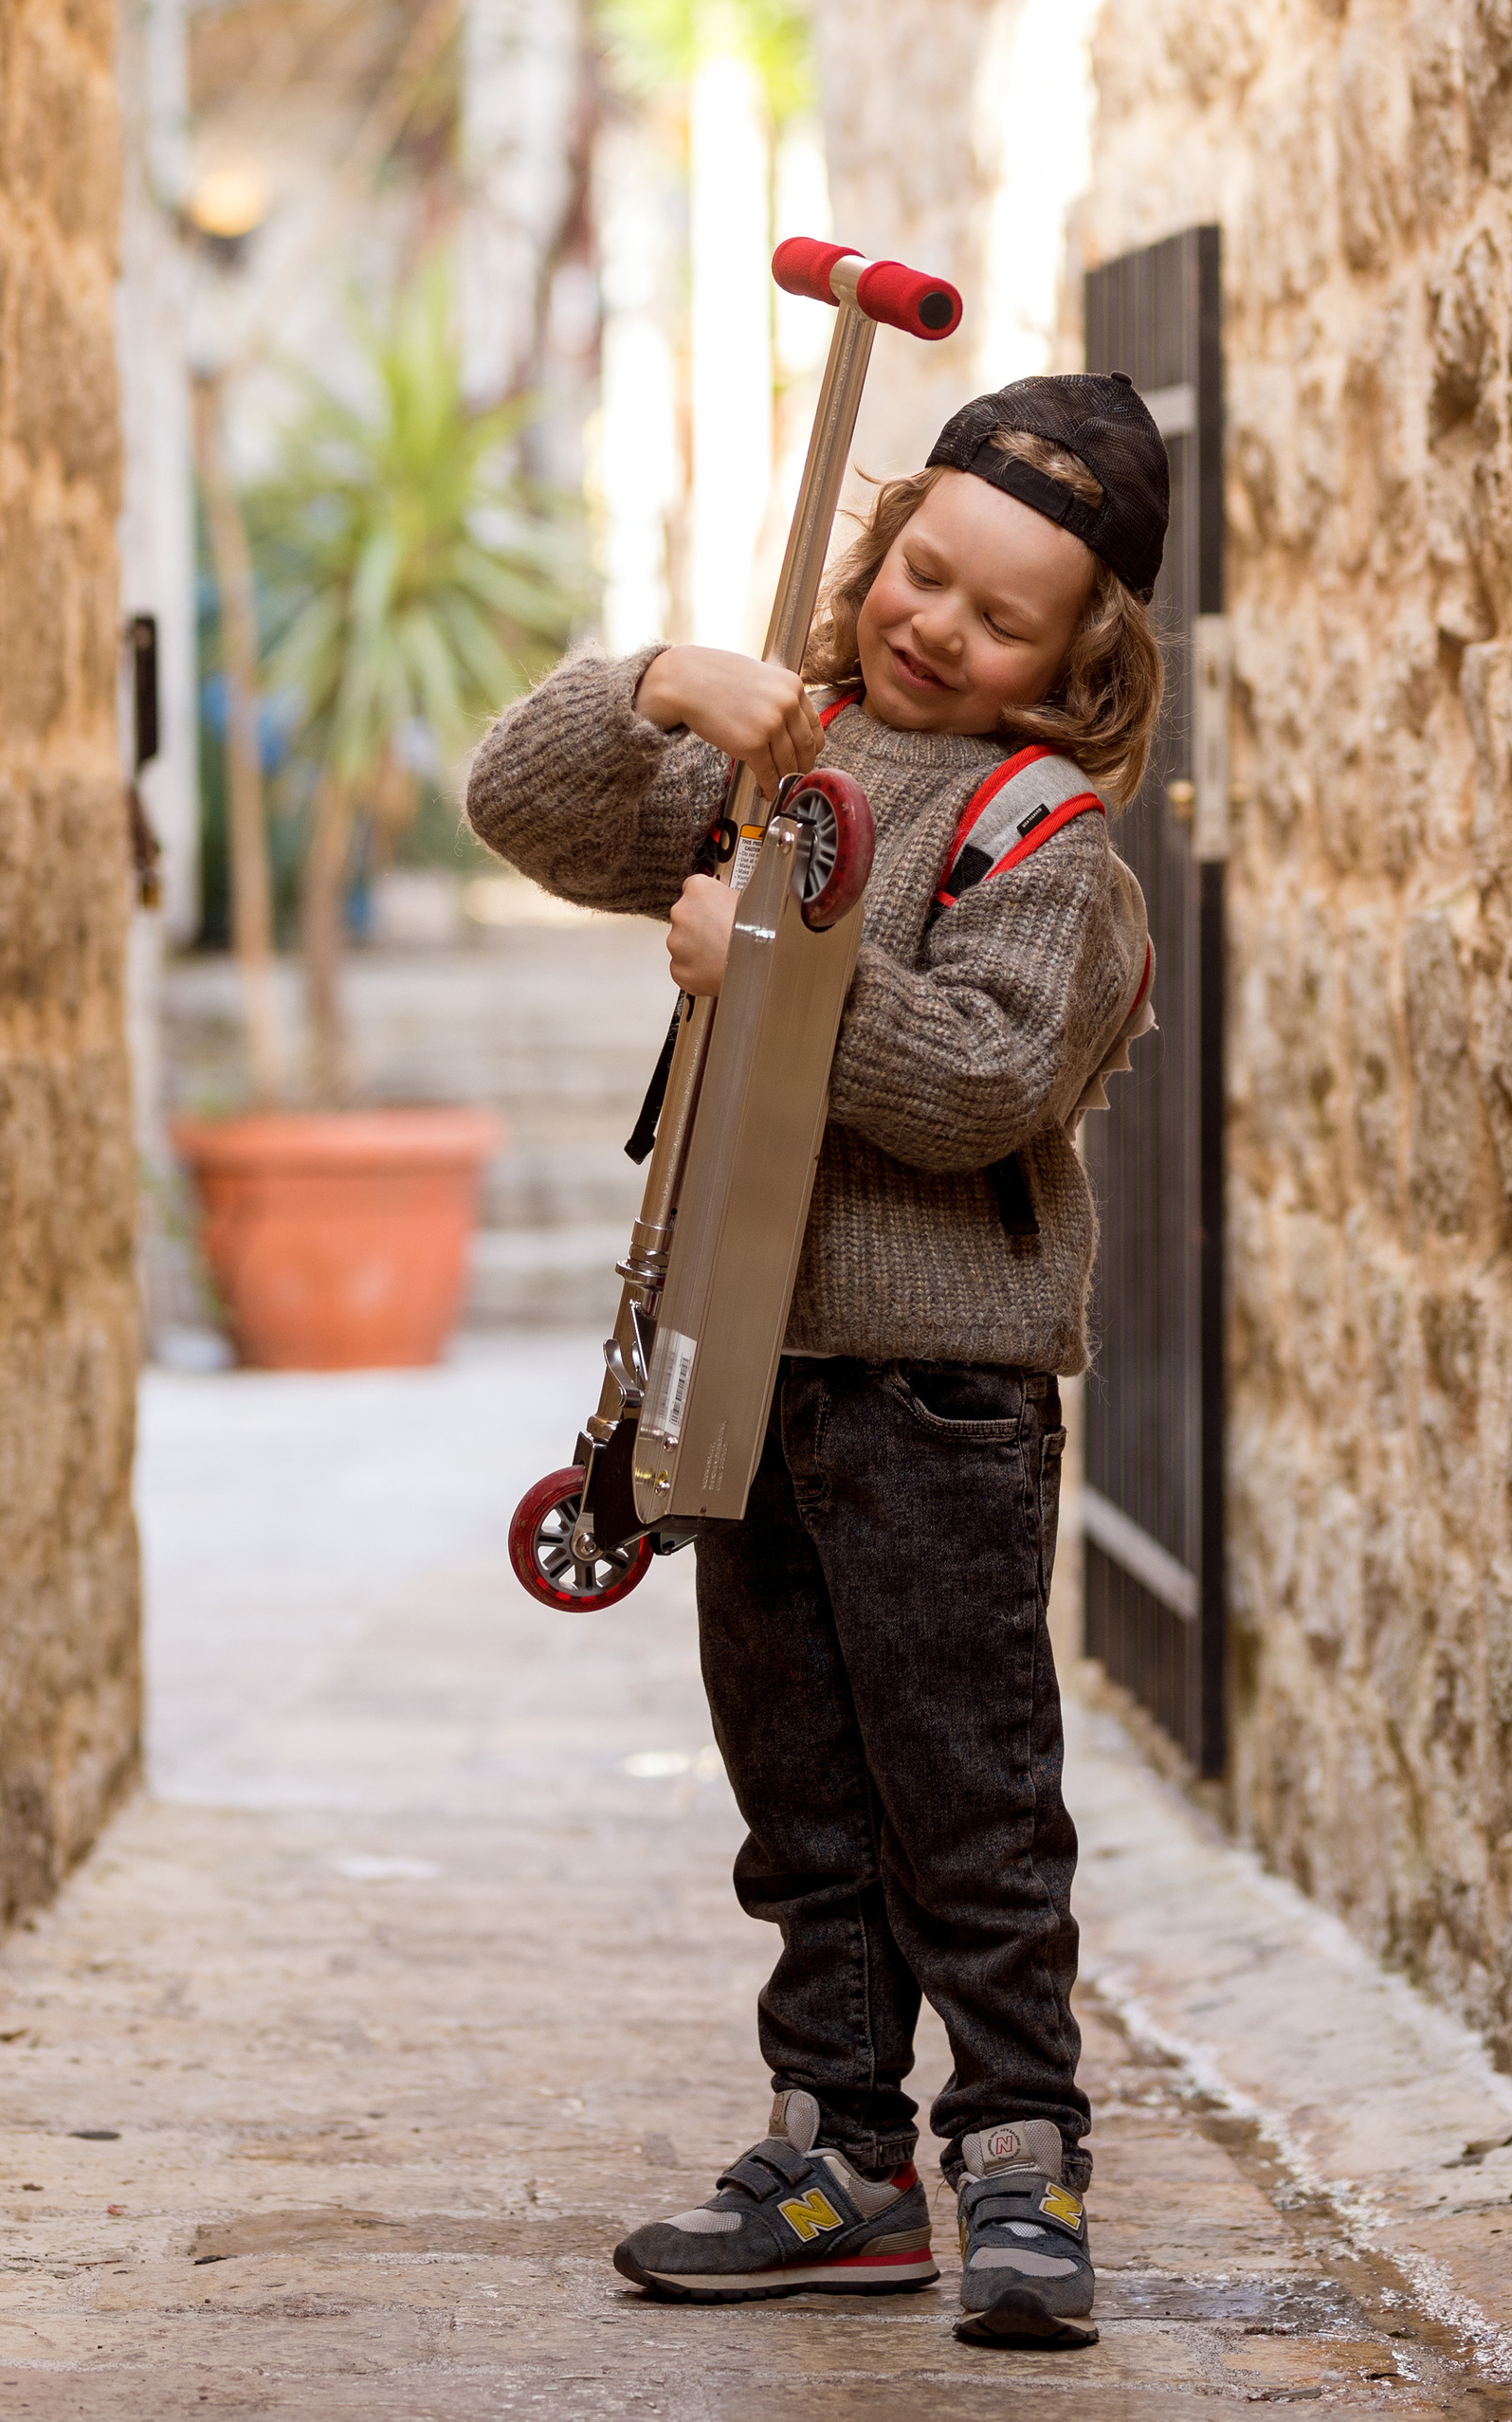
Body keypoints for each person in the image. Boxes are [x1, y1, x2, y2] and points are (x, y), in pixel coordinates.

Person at [464, 371, 1169, 2351]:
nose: (933, 627)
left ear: (1073, 662)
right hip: (742, 1358)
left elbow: (980, 1081)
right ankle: (836, 2158)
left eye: (996, 618)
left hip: (934, 1386)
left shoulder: (1052, 847)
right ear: (878, 551)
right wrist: (677, 684)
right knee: (803, 1799)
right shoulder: (784, 762)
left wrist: (761, 972)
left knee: (965, 1797)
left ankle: (1021, 2162)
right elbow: (518, 805)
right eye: (919, 575)